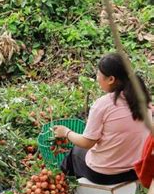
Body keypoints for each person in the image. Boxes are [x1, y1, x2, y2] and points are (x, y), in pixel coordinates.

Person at [54, 53, 152, 185]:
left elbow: (87, 143)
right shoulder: (144, 100)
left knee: (75, 153)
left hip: (105, 175)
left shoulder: (103, 105)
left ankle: (62, 186)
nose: (97, 78)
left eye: (99, 75)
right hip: (136, 169)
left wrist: (66, 132)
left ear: (111, 79)